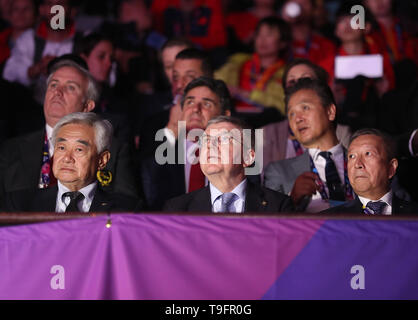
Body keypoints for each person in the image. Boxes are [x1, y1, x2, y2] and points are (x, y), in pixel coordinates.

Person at [0, 58, 139, 205]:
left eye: (71, 87)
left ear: (87, 106)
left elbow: (128, 209)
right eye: (53, 85)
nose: (57, 92)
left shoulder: (113, 150)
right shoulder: (11, 149)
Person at [3, 112, 142, 212]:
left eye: (79, 149)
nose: (67, 158)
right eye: (62, 148)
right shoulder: (19, 205)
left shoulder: (126, 210)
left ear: (102, 160)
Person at [164, 116, 293, 213]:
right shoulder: (178, 209)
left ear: (248, 157)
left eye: (224, 139)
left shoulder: (278, 206)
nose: (211, 145)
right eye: (206, 140)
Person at [140, 76, 232, 210]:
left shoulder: (238, 157)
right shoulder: (160, 156)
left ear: (225, 114)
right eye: (190, 102)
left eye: (207, 104)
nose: (196, 109)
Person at [264, 78, 354, 212]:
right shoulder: (278, 171)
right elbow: (268, 226)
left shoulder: (366, 162)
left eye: (305, 108)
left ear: (330, 112)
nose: (297, 118)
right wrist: (292, 199)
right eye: (291, 114)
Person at [261, 58, 352, 170]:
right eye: (291, 82)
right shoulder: (263, 133)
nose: (299, 84)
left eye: (306, 79)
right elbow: (255, 179)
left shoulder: (343, 133)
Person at [322, 128, 418, 215]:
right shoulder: (327, 221)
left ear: (391, 168)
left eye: (368, 154)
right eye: (352, 156)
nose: (357, 164)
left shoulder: (413, 216)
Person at [2, 0, 78, 103]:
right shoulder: (29, 38)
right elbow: (9, 73)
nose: (55, 10)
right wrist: (34, 70)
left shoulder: (84, 40)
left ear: (72, 11)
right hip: (33, 109)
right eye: (50, 4)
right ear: (41, 10)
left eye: (60, 4)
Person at [215, 16, 291, 115]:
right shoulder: (237, 62)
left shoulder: (287, 73)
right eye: (259, 34)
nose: (262, 40)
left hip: (267, 122)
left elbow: (285, 106)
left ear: (282, 43)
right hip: (232, 118)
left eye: (269, 35)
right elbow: (215, 84)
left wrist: (245, 94)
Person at [280, 0, 336, 77]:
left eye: (304, 3)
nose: (299, 7)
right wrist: (281, 22)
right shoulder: (276, 42)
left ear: (313, 9)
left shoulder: (325, 45)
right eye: (295, 3)